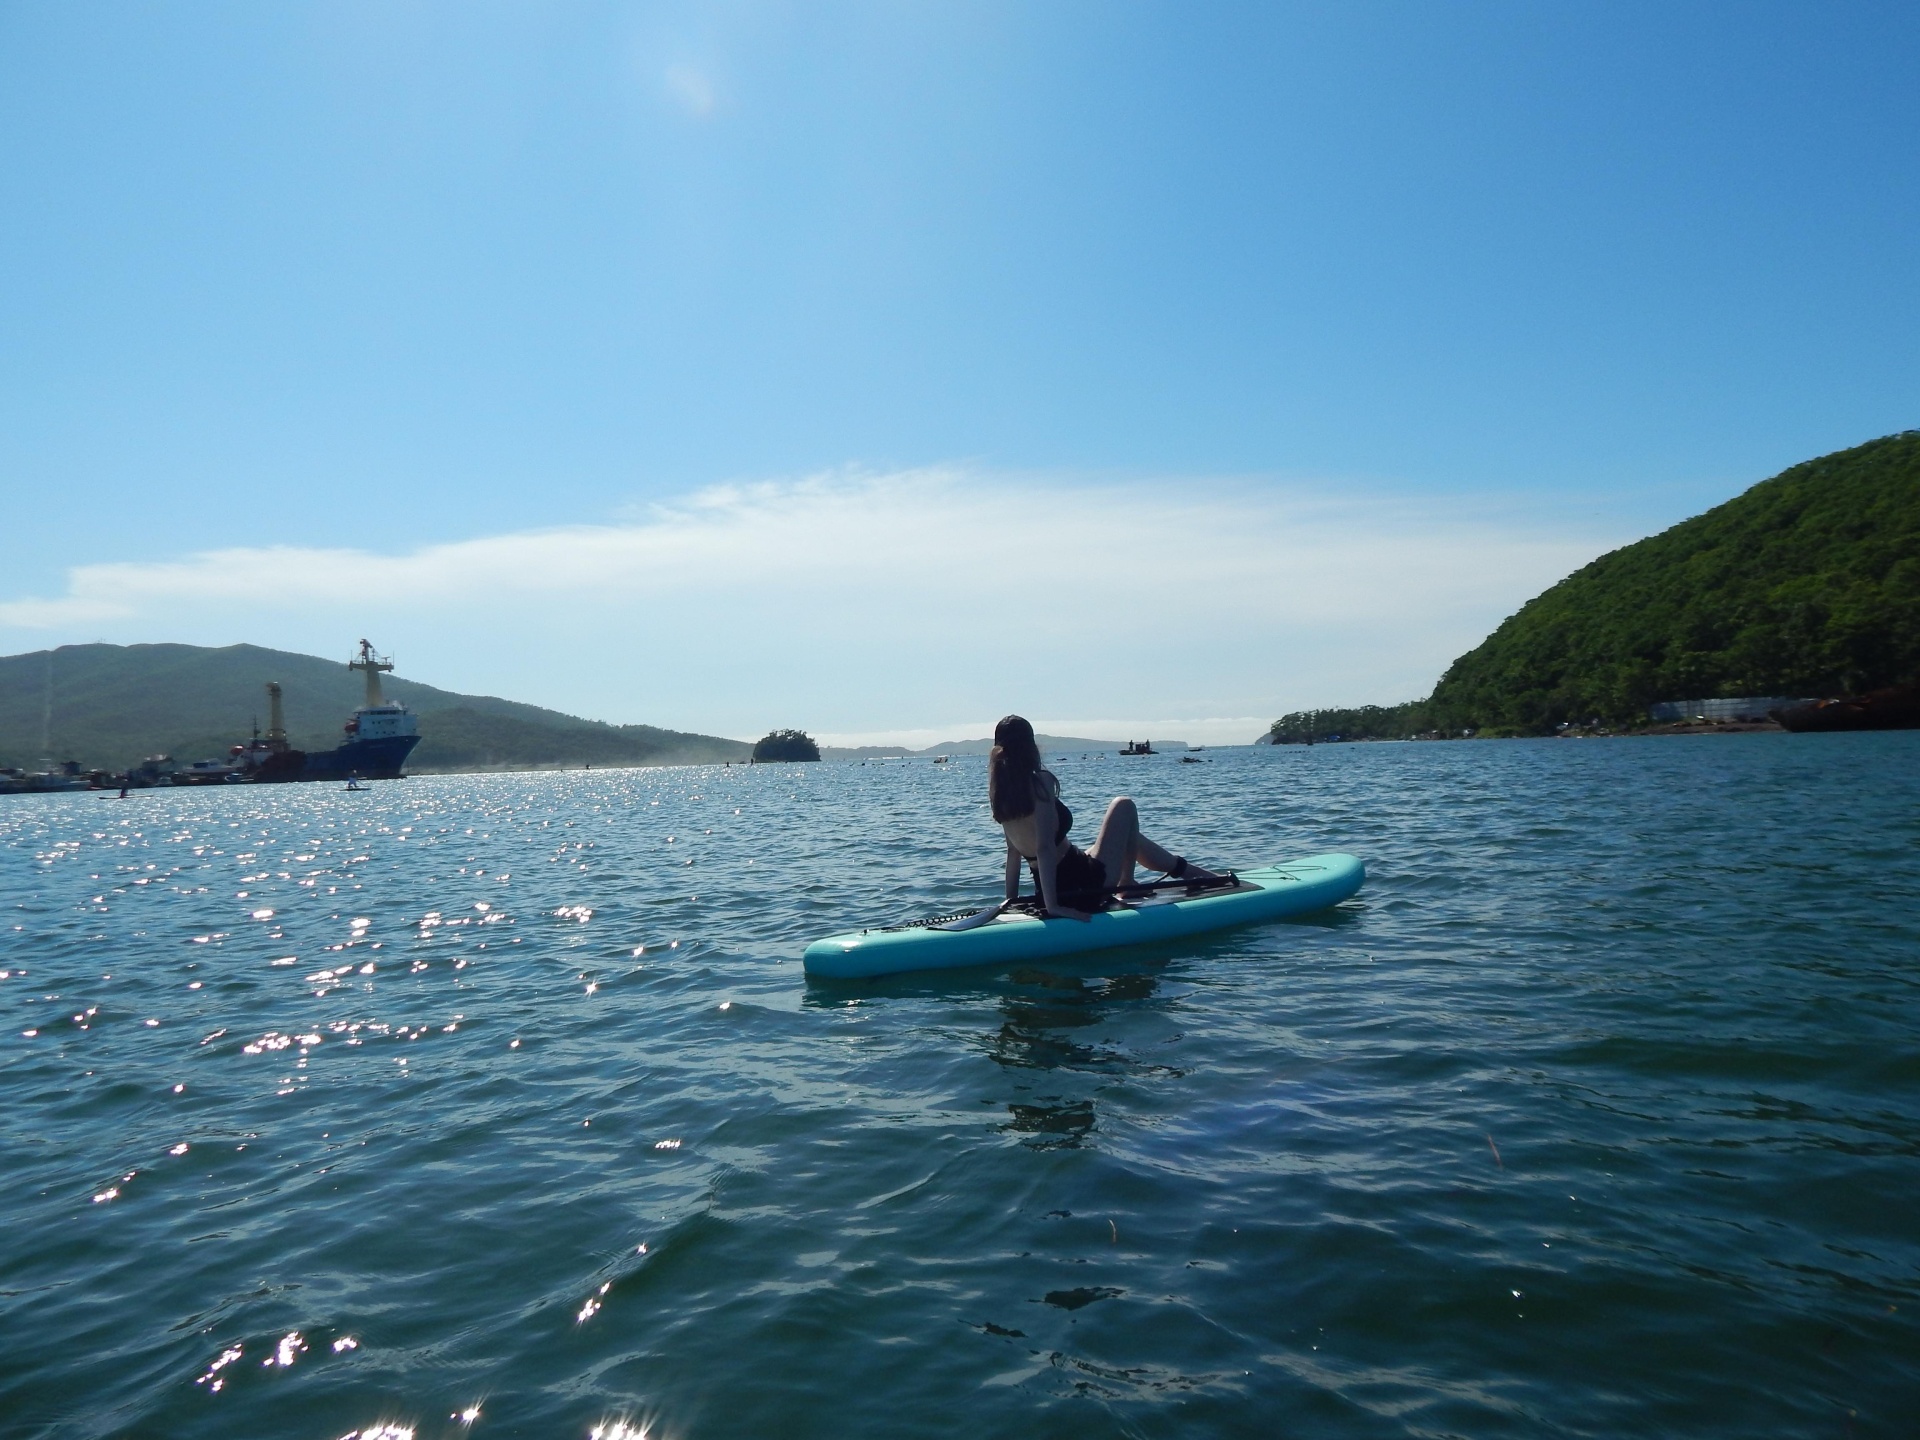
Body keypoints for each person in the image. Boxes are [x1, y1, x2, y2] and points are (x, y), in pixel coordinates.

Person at [988, 714, 1217, 920]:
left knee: (1125, 834)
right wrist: (1054, 907)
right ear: (1030, 746)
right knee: (1123, 805)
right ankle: (1128, 883)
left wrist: (1011, 901)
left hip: (1058, 884)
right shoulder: (1040, 782)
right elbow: (1045, 847)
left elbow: (1014, 854)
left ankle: (1188, 873)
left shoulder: (1002, 794)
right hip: (1082, 885)